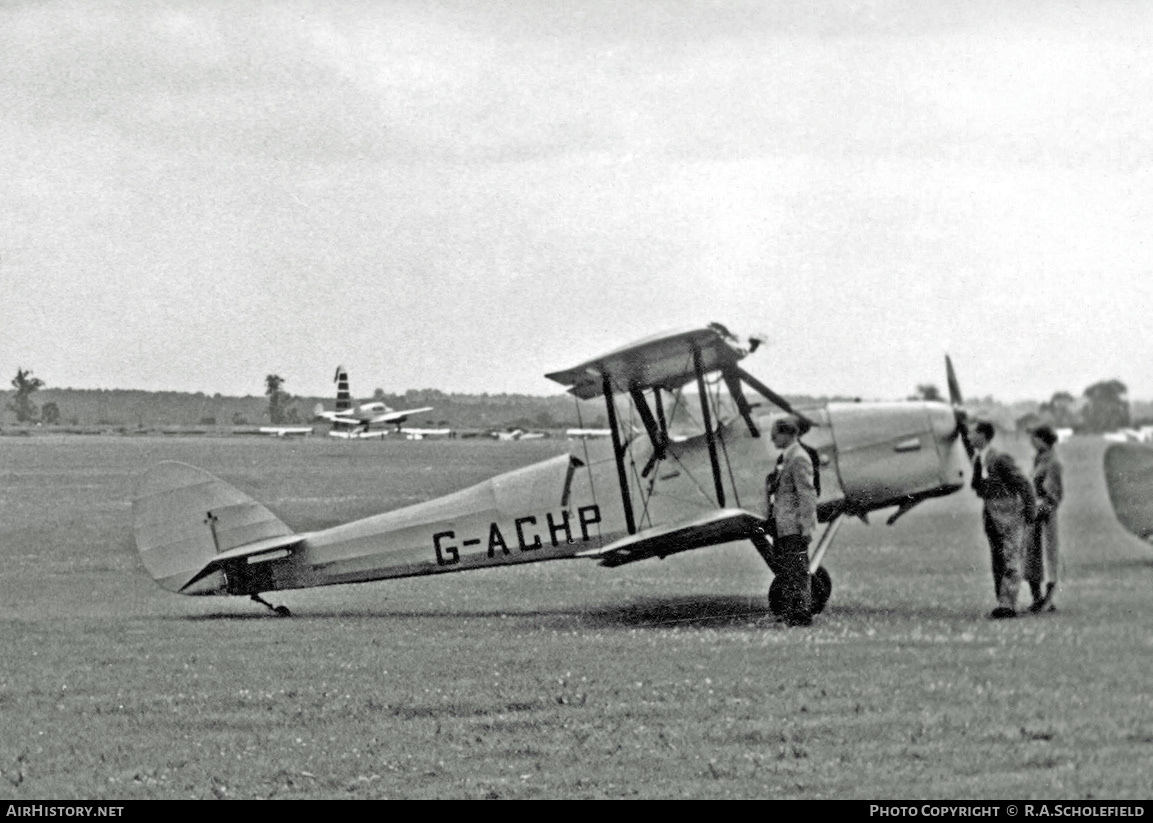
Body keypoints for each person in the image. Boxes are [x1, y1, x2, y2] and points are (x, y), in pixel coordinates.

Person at [967, 420, 1037, 619]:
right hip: (991, 512)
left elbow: (1023, 483)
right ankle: (1003, 601)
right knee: (999, 558)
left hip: (1009, 512)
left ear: (983, 435)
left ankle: (1007, 603)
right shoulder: (979, 458)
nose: (969, 436)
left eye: (973, 432)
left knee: (1011, 556)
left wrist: (1030, 511)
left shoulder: (998, 458)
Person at [765, 416, 819, 626]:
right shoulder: (789, 456)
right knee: (789, 572)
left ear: (787, 434)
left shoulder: (798, 458)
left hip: (793, 527)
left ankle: (800, 617)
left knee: (796, 573)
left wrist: (806, 527)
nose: (771, 439)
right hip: (784, 526)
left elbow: (807, 494)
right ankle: (791, 615)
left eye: (775, 434)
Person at [1024, 424, 1064, 613]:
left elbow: (1054, 495)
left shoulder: (1053, 462)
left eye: (1034, 438)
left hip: (1046, 516)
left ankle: (1047, 600)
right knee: (1032, 556)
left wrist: (1041, 505)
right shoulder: (1038, 460)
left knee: (1049, 557)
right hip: (1034, 514)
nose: (1032, 442)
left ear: (1042, 439)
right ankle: (1037, 598)